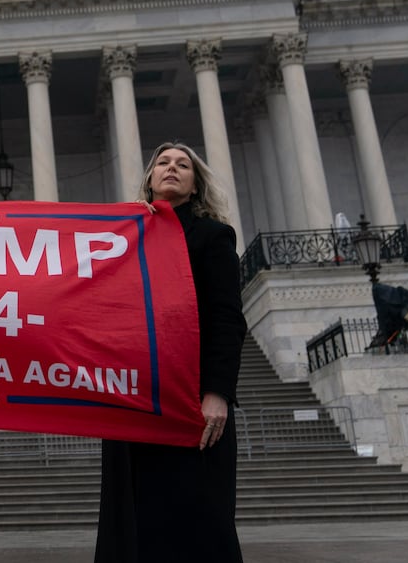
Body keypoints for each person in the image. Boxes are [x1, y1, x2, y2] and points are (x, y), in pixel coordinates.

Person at [96, 143, 248, 563]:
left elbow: (227, 318)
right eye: (163, 163)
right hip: (134, 396)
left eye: (183, 165)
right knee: (132, 516)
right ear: (149, 178)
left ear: (195, 183)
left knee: (197, 516)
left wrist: (217, 392)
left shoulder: (213, 237)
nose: (172, 169)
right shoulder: (126, 238)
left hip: (190, 399)